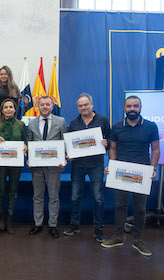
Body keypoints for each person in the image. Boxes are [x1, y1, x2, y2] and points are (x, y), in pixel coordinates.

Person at [101, 96, 159, 256]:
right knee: (120, 205)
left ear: (140, 107)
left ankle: (138, 240)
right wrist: (112, 165)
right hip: (121, 173)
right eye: (129, 106)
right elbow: (112, 148)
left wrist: (152, 168)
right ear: (124, 108)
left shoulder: (151, 126)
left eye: (135, 106)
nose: (132, 109)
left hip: (142, 174)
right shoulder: (117, 127)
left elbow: (155, 150)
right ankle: (118, 236)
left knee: (140, 208)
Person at [63, 93, 109, 242]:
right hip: (78, 165)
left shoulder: (103, 120)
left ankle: (99, 228)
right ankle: (74, 224)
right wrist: (69, 154)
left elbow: (108, 140)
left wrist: (105, 144)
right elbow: (70, 145)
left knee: (98, 197)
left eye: (85, 104)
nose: (83, 107)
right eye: (80, 106)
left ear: (91, 104)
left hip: (96, 164)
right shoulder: (74, 123)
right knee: (75, 196)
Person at [27, 96, 67, 238]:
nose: (44, 107)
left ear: (52, 106)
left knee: (53, 197)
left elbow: (64, 141)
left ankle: (52, 225)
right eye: (42, 104)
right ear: (37, 106)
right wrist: (29, 159)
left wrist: (64, 158)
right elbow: (29, 142)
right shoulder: (31, 123)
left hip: (54, 167)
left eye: (47, 104)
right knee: (37, 197)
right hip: (37, 167)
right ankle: (38, 224)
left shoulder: (60, 121)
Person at [0, 99, 27, 235]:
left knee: (13, 190)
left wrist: (25, 146)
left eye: (11, 107)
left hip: (15, 164)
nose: (8, 109)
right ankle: (1, 217)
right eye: (5, 107)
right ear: (2, 110)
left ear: (14, 109)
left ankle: (9, 219)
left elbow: (24, 140)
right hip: (1, 163)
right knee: (1, 190)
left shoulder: (21, 124)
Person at [0, 66, 20, 132]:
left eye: (5, 74)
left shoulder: (14, 88)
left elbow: (16, 104)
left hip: (10, 117)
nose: (3, 76)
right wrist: (1, 116)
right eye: (1, 74)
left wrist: (8, 116)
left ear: (9, 75)